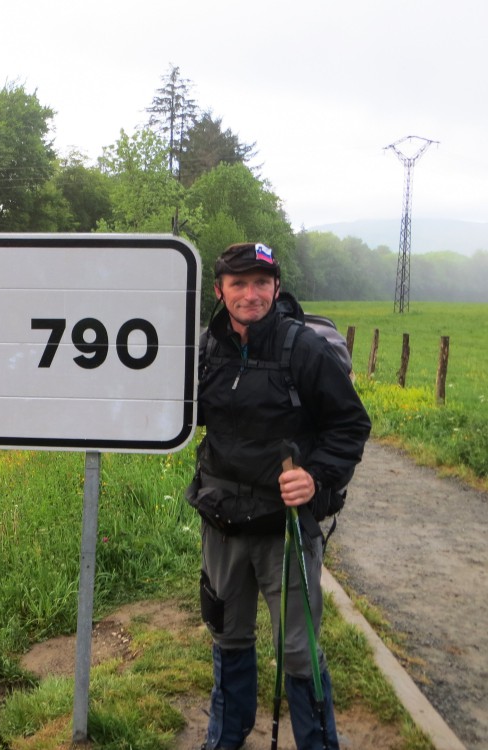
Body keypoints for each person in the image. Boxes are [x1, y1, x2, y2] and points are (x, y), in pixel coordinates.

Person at [186, 242, 371, 750]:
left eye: (261, 283)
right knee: (227, 636)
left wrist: (316, 477)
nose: (251, 294)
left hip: (284, 529)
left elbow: (351, 424)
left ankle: (318, 743)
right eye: (239, 284)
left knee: (297, 651)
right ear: (220, 290)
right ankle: (226, 738)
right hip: (222, 522)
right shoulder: (204, 349)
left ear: (276, 287)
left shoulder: (303, 349)